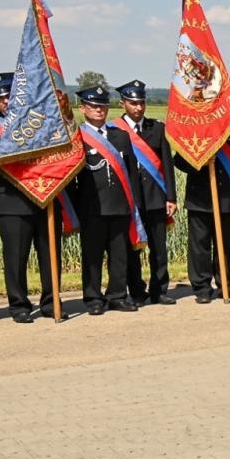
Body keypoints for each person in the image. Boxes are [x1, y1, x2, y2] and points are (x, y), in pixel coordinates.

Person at [0, 72, 60, 323]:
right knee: (16, 258)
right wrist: (26, 157)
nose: (6, 101)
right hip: (13, 202)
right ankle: (19, 305)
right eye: (0, 98)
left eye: (10, 96)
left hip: (45, 198)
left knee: (49, 255)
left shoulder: (41, 122)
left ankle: (50, 301)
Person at [72, 86, 143, 315]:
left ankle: (117, 295)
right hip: (92, 208)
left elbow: (132, 173)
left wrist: (135, 205)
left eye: (102, 105)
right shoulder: (78, 137)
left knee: (119, 255)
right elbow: (72, 179)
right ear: (83, 108)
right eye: (93, 106)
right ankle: (93, 297)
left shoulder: (119, 136)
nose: (99, 110)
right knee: (92, 256)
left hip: (120, 206)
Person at [110, 80, 177, 306]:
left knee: (159, 249)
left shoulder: (156, 128)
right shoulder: (114, 130)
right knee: (132, 249)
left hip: (156, 197)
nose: (138, 108)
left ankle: (160, 290)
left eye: (141, 103)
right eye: (133, 103)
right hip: (130, 200)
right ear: (123, 103)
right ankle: (137, 291)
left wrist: (171, 197)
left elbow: (166, 164)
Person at [183, 100, 230, 304]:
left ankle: (225, 283)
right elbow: (180, 161)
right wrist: (202, 158)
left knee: (224, 244)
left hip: (224, 198)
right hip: (200, 198)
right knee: (199, 245)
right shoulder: (196, 131)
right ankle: (202, 286)